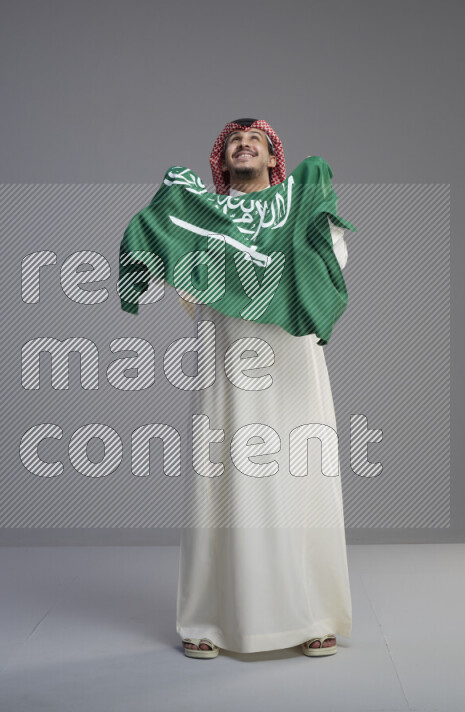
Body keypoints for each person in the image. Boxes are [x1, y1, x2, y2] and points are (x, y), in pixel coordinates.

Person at [175, 119, 353, 658]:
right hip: (230, 367)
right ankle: (207, 621)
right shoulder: (203, 221)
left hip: (294, 367)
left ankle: (314, 615)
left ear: (274, 158)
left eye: (254, 140)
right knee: (222, 488)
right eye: (234, 141)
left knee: (302, 480)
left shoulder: (299, 210)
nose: (243, 144)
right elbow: (188, 289)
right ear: (222, 162)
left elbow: (331, 267)